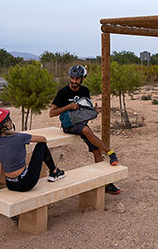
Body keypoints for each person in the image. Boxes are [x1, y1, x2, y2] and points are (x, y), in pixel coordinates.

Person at [49, 65, 120, 195]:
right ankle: (110, 152)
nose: (74, 81)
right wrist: (68, 106)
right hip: (69, 125)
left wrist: (94, 111)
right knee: (87, 131)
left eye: (77, 79)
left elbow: (85, 110)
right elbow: (52, 113)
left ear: (82, 79)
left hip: (81, 123)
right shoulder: (63, 92)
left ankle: (106, 183)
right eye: (72, 78)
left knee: (96, 151)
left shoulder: (85, 91)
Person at [0, 108, 65, 193]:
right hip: (26, 183)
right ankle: (54, 171)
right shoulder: (19, 137)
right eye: (8, 120)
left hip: (10, 184)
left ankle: (54, 171)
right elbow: (43, 139)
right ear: (6, 125)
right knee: (41, 145)